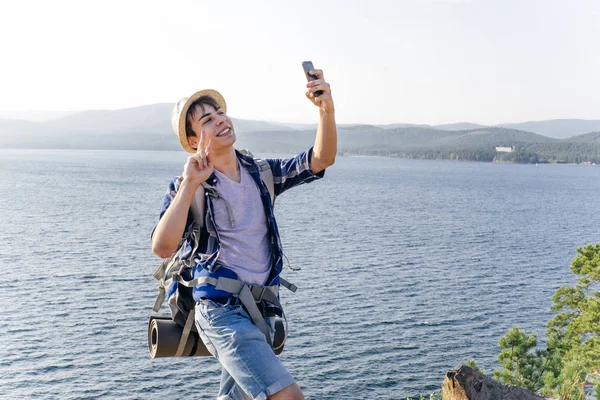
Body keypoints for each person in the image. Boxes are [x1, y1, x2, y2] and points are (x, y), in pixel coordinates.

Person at [151, 68, 336, 400]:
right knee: (288, 396)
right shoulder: (190, 187)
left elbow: (320, 159)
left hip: (259, 310)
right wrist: (191, 182)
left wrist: (326, 110)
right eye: (207, 120)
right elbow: (162, 247)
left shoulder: (260, 172)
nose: (221, 120)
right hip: (220, 309)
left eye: (220, 112)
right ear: (194, 142)